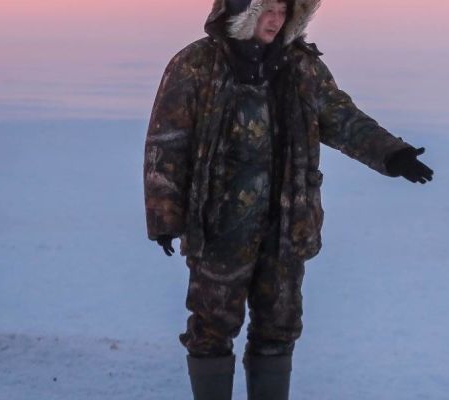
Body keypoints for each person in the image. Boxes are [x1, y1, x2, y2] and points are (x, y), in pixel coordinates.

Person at [143, 1, 434, 399]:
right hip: (219, 228)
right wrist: (164, 215)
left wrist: (391, 154)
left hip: (286, 226)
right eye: (267, 9)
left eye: (284, 9)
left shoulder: (301, 66)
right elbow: (167, 142)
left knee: (278, 327)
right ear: (243, 10)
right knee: (211, 327)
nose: (277, 19)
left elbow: (341, 117)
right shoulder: (196, 63)